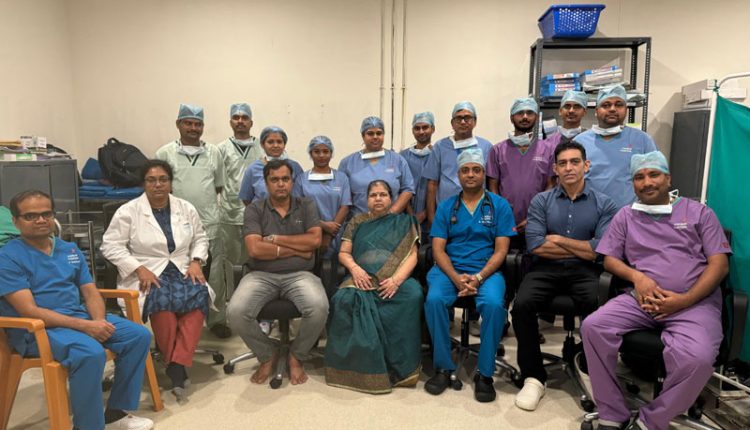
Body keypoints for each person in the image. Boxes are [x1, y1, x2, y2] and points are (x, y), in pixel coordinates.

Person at [581, 151, 731, 430]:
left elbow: (719, 265)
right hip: (641, 300)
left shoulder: (699, 213)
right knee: (593, 327)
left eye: (654, 174)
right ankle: (612, 412)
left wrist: (684, 300)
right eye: (639, 177)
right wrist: (637, 277)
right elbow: (610, 259)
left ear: (668, 179)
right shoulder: (626, 215)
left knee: (698, 358)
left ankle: (653, 419)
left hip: (693, 303)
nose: (647, 182)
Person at [0, 190, 154, 430]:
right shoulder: (7, 257)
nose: (40, 220)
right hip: (37, 330)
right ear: (15, 221)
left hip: (77, 318)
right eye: (31, 216)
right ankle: (87, 426)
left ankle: (116, 413)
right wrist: (86, 326)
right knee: (90, 353)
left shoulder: (69, 250)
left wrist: (98, 322)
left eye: (46, 214)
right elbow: (29, 311)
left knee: (138, 336)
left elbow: (90, 292)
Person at [511, 141, 617, 411]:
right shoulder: (541, 201)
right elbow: (536, 245)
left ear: (586, 165)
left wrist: (558, 239)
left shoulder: (604, 203)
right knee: (522, 305)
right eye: (563, 163)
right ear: (555, 169)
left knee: (599, 306)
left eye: (575, 162)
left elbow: (600, 250)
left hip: (585, 271)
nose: (569, 168)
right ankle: (534, 377)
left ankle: (593, 371)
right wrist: (584, 248)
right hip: (545, 268)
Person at [102, 160, 214, 403]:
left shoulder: (185, 207)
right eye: (151, 180)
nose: (158, 185)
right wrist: (138, 268)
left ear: (170, 182)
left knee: (199, 294)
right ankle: (177, 365)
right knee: (161, 300)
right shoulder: (128, 211)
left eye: (163, 179)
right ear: (143, 184)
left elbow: (201, 238)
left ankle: (175, 362)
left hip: (182, 268)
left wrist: (196, 261)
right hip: (148, 271)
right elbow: (110, 246)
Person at [423, 148, 516, 403]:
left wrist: (479, 277)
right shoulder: (446, 207)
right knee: (434, 300)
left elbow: (501, 250)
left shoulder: (499, 205)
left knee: (494, 305)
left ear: (484, 174)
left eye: (476, 170)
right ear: (458, 175)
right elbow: (438, 249)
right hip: (449, 269)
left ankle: (484, 374)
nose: (471, 174)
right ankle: (443, 367)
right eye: (465, 170)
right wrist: (455, 277)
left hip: (486, 270)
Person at [227, 159, 329, 386]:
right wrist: (297, 249)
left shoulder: (307, 205)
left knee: (319, 308)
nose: (280, 184)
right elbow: (255, 249)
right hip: (260, 275)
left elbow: (314, 240)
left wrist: (275, 240)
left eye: (285, 179)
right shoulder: (255, 209)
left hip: (301, 274)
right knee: (235, 312)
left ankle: (297, 355)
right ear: (266, 183)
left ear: (292, 181)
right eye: (274, 180)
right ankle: (266, 354)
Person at [325, 180, 422, 393]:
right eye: (373, 195)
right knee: (343, 299)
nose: (378, 199)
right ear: (366, 200)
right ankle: (353, 368)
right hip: (362, 275)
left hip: (395, 277)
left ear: (391, 198)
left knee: (413, 294)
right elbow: (344, 253)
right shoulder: (356, 221)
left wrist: (396, 280)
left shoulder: (404, 222)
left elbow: (413, 256)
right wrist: (355, 269)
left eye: (383, 194)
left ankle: (400, 367)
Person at [155, 104, 229, 338]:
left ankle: (217, 320)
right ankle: (180, 321)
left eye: (198, 124)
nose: (193, 128)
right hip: (176, 226)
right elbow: (159, 188)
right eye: (188, 123)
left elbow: (218, 186)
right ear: (178, 124)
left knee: (214, 274)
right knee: (178, 274)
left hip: (209, 222)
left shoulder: (214, 152)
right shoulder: (164, 153)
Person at [573, 85, 658, 208]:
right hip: (589, 212)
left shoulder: (643, 140)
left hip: (629, 214)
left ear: (626, 109)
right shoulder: (579, 142)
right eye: (606, 105)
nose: (612, 109)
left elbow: (655, 180)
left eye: (619, 105)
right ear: (596, 111)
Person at [216, 103, 264, 317]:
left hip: (260, 217)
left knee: (257, 262)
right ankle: (234, 307)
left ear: (251, 122)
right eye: (236, 117)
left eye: (245, 118)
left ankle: (258, 308)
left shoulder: (263, 147)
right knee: (231, 264)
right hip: (230, 214)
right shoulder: (221, 149)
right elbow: (217, 184)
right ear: (230, 122)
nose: (240, 121)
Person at [487, 97, 556, 244]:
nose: (525, 117)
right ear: (512, 118)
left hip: (538, 218)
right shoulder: (497, 150)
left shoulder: (548, 149)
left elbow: (551, 185)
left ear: (536, 117)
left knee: (536, 254)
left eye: (529, 113)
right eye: (520, 113)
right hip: (505, 219)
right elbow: (493, 187)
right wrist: (503, 214)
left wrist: (535, 216)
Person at [424, 102, 493, 228]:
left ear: (475, 121)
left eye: (467, 118)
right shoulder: (440, 147)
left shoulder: (486, 146)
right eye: (458, 118)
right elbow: (432, 184)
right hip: (447, 212)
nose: (463, 122)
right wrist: (431, 218)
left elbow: (491, 182)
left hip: (479, 211)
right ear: (452, 123)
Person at [338, 116, 414, 215]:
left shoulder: (397, 160)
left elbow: (408, 189)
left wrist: (391, 213)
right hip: (360, 221)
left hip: (391, 221)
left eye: (379, 133)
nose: (375, 137)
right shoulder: (347, 163)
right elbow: (342, 196)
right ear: (363, 136)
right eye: (370, 133)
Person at [293, 136, 351, 259]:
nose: (321, 155)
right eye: (317, 151)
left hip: (336, 234)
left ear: (331, 153)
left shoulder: (342, 178)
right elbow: (298, 209)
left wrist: (329, 235)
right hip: (309, 232)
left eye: (325, 151)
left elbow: (345, 207)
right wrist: (323, 226)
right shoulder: (301, 179)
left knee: (336, 266)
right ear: (310, 154)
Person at [238, 126, 304, 205]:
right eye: (270, 142)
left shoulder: (295, 167)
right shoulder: (253, 169)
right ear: (262, 145)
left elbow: (302, 194)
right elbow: (246, 198)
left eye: (279, 142)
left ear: (284, 144)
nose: (275, 145)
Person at [399, 111, 436, 240]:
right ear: (412, 130)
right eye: (417, 128)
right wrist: (411, 214)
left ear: (433, 129)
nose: (421, 131)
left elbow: (440, 187)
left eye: (425, 127)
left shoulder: (438, 154)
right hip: (406, 217)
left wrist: (425, 213)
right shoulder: (402, 156)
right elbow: (401, 186)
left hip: (433, 216)